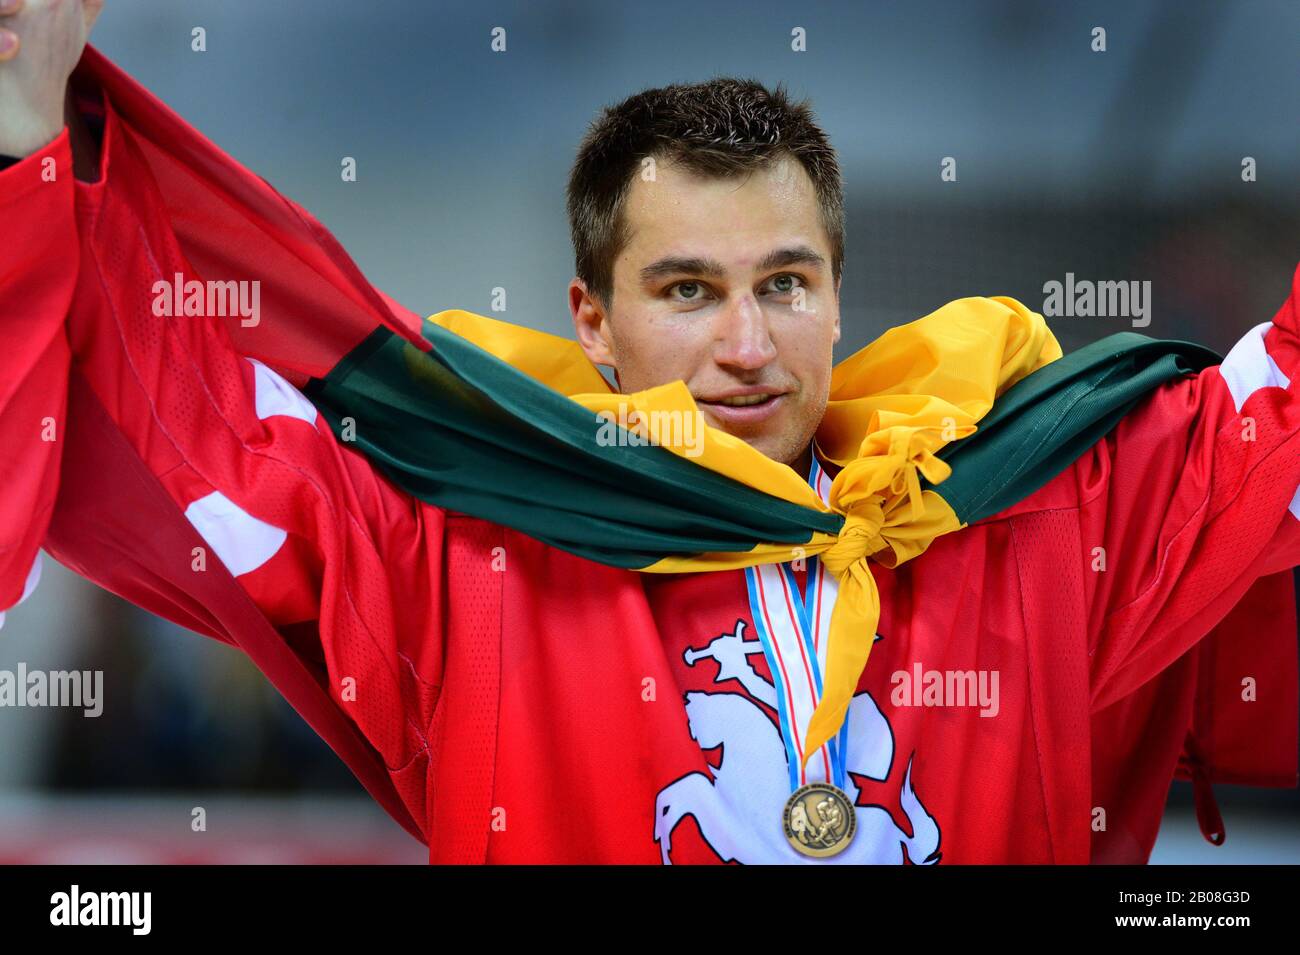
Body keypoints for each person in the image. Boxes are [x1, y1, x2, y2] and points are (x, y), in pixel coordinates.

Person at [2, 0, 1298, 865]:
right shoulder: (461, 551)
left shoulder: (1044, 513)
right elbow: (190, 408)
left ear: (836, 298)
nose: (747, 345)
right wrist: (22, 136)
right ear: (594, 321)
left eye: (784, 285)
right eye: (687, 291)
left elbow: (1273, 423)